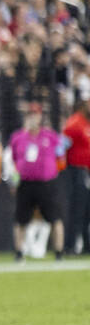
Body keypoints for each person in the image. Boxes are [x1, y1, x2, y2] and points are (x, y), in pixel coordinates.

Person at [8, 103, 66, 262]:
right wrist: (14, 182)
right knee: (20, 219)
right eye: (30, 114)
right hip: (25, 183)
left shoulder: (50, 136)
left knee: (55, 217)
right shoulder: (18, 137)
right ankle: (19, 253)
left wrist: (54, 173)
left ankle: (59, 253)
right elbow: (14, 162)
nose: (33, 117)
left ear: (40, 116)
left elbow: (61, 156)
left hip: (46, 183)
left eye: (35, 114)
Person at [61, 94, 90, 255]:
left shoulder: (86, 123)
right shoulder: (75, 122)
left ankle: (87, 245)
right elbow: (63, 145)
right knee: (77, 209)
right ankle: (70, 246)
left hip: (86, 172)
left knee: (87, 210)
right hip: (77, 171)